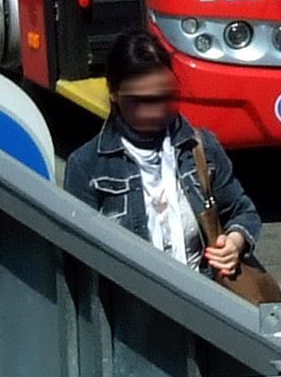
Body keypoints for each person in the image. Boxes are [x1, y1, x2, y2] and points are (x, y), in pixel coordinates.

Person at [62, 31, 261, 282]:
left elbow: (243, 212)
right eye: (143, 100)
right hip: (130, 314)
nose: (155, 110)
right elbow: (76, 259)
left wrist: (234, 243)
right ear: (114, 93)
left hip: (202, 307)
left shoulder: (200, 147)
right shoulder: (87, 166)